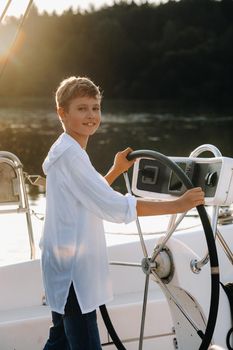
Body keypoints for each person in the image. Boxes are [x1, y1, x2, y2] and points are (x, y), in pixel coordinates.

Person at [40, 76, 204, 350]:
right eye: (82, 108)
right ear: (62, 113)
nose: (91, 115)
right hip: (72, 272)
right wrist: (178, 205)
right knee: (83, 342)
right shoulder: (71, 156)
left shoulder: (67, 150)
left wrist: (116, 171)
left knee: (60, 341)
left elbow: (90, 196)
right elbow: (114, 207)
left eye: (95, 108)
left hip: (62, 263)